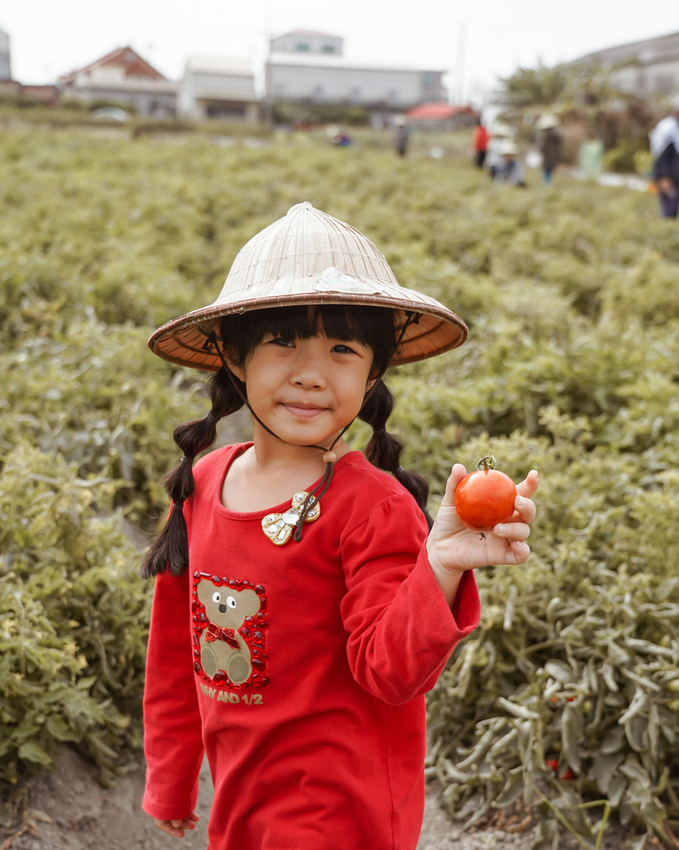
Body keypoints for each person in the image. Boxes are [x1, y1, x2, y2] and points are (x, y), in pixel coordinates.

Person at [140, 202, 539, 850]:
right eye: (282, 341)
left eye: (341, 349)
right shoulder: (202, 486)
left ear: (372, 372)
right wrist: (172, 778)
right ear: (234, 356)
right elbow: (172, 658)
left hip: (342, 815)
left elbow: (390, 671)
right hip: (241, 802)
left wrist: (438, 566)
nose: (309, 372)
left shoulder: (371, 507)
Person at [650, 99, 679, 218]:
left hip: (675, 175)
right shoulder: (668, 129)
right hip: (668, 175)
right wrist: (663, 176)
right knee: (669, 209)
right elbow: (662, 155)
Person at [537, 113, 562, 185]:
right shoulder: (556, 133)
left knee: (546, 169)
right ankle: (548, 181)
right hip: (553, 154)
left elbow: (543, 145)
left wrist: (540, 150)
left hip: (547, 155)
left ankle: (547, 182)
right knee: (549, 168)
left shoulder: (545, 135)